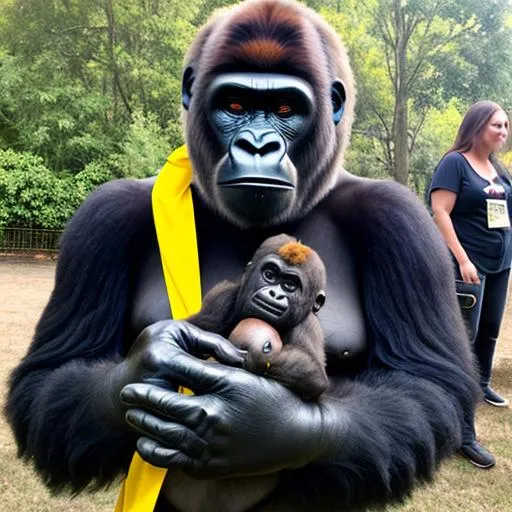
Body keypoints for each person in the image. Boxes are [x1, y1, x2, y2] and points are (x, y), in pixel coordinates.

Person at [5, 1, 484, 510]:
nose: (258, 143)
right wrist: (118, 391)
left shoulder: (383, 221)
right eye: (235, 108)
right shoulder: (124, 218)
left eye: (284, 111)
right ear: (193, 94)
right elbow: (38, 400)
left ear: (334, 105)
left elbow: (441, 398)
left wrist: (316, 432)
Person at [429, 100, 510, 467]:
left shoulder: (498, 169)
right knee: (463, 342)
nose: (504, 132)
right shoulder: (455, 163)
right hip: (468, 268)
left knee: (490, 332)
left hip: (500, 265)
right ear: (477, 127)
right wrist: (462, 260)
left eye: (506, 126)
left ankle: (480, 386)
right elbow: (440, 211)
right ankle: (463, 432)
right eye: (497, 125)